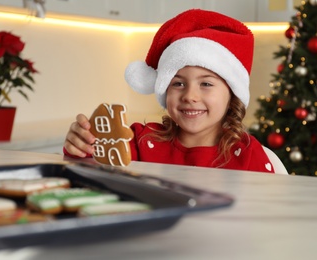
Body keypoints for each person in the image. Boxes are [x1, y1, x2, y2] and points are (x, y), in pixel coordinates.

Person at [64, 9, 288, 175]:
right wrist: (80, 146)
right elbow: (91, 176)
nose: (190, 96)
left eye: (206, 84)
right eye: (178, 83)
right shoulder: (138, 141)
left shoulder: (249, 155)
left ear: (231, 95)